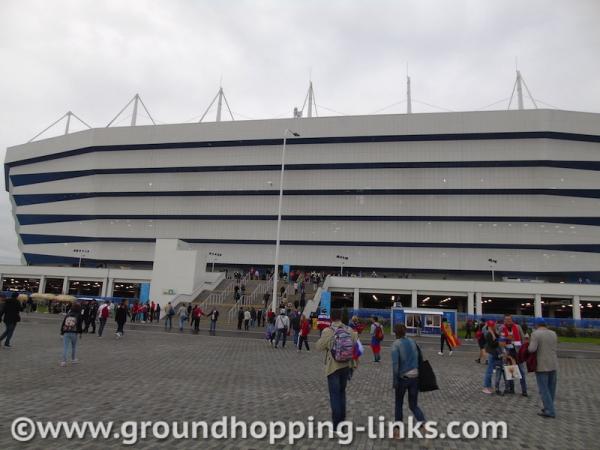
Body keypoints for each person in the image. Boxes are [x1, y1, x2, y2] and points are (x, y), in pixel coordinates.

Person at [316, 308, 358, 429]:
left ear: (331, 318)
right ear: (341, 317)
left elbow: (318, 347)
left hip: (333, 367)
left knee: (334, 395)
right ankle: (342, 422)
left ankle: (336, 424)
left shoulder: (328, 331)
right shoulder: (349, 330)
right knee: (342, 393)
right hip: (346, 366)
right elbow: (356, 345)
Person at [391, 324, 426, 430]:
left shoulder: (395, 345)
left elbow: (395, 365)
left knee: (398, 403)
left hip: (403, 378)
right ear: (405, 332)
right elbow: (421, 357)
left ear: (395, 333)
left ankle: (398, 430)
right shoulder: (413, 342)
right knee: (413, 405)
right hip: (415, 377)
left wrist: (395, 381)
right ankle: (424, 425)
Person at [528, 318, 558, 418]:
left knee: (543, 389)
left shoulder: (536, 334)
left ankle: (550, 410)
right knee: (551, 388)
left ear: (536, 325)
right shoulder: (553, 333)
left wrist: (528, 344)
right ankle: (548, 407)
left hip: (541, 364)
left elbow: (532, 349)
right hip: (553, 363)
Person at [500, 314, 528, 396]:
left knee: (521, 372)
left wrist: (523, 349)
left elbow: (522, 338)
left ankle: (524, 390)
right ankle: (511, 389)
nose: (508, 321)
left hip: (518, 352)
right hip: (508, 352)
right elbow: (500, 340)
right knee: (510, 370)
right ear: (504, 320)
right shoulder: (502, 328)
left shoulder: (517, 327)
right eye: (506, 320)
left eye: (509, 319)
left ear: (512, 320)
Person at [60, 302, 83, 366]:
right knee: (73, 347)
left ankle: (63, 362)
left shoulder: (68, 314)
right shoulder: (78, 315)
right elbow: (79, 325)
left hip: (66, 332)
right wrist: (80, 333)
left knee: (65, 347)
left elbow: (63, 323)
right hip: (74, 332)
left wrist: (61, 332)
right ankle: (73, 359)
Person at [482, 320, 499, 394]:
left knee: (490, 370)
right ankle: (486, 386)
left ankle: (489, 386)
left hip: (493, 352)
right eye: (493, 326)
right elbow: (492, 344)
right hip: (491, 353)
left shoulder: (493, 333)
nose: (494, 326)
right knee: (489, 371)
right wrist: (498, 341)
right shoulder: (489, 334)